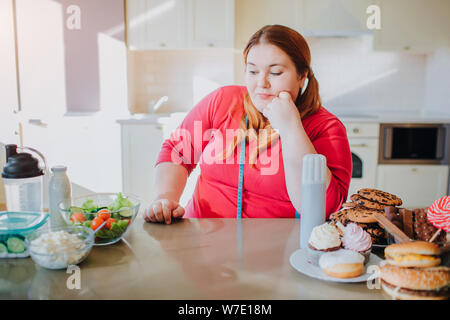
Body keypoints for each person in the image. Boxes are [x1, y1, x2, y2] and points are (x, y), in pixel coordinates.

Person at [144, 25, 352, 224]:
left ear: (301, 75)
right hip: (201, 240)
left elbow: (322, 209)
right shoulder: (223, 102)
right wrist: (165, 198)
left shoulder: (326, 128)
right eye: (252, 72)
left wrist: (291, 129)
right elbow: (177, 151)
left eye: (276, 72)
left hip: (278, 253)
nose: (262, 83)